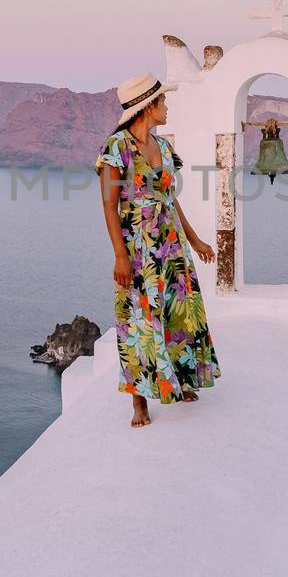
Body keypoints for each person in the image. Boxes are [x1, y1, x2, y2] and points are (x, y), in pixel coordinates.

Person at [94, 73, 221, 427]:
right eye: (163, 102)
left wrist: (194, 240)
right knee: (138, 320)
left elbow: (169, 197)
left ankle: (181, 379)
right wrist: (120, 255)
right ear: (148, 106)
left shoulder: (162, 146)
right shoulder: (116, 148)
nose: (167, 107)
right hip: (137, 249)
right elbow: (109, 205)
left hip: (171, 245)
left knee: (179, 313)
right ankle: (139, 402)